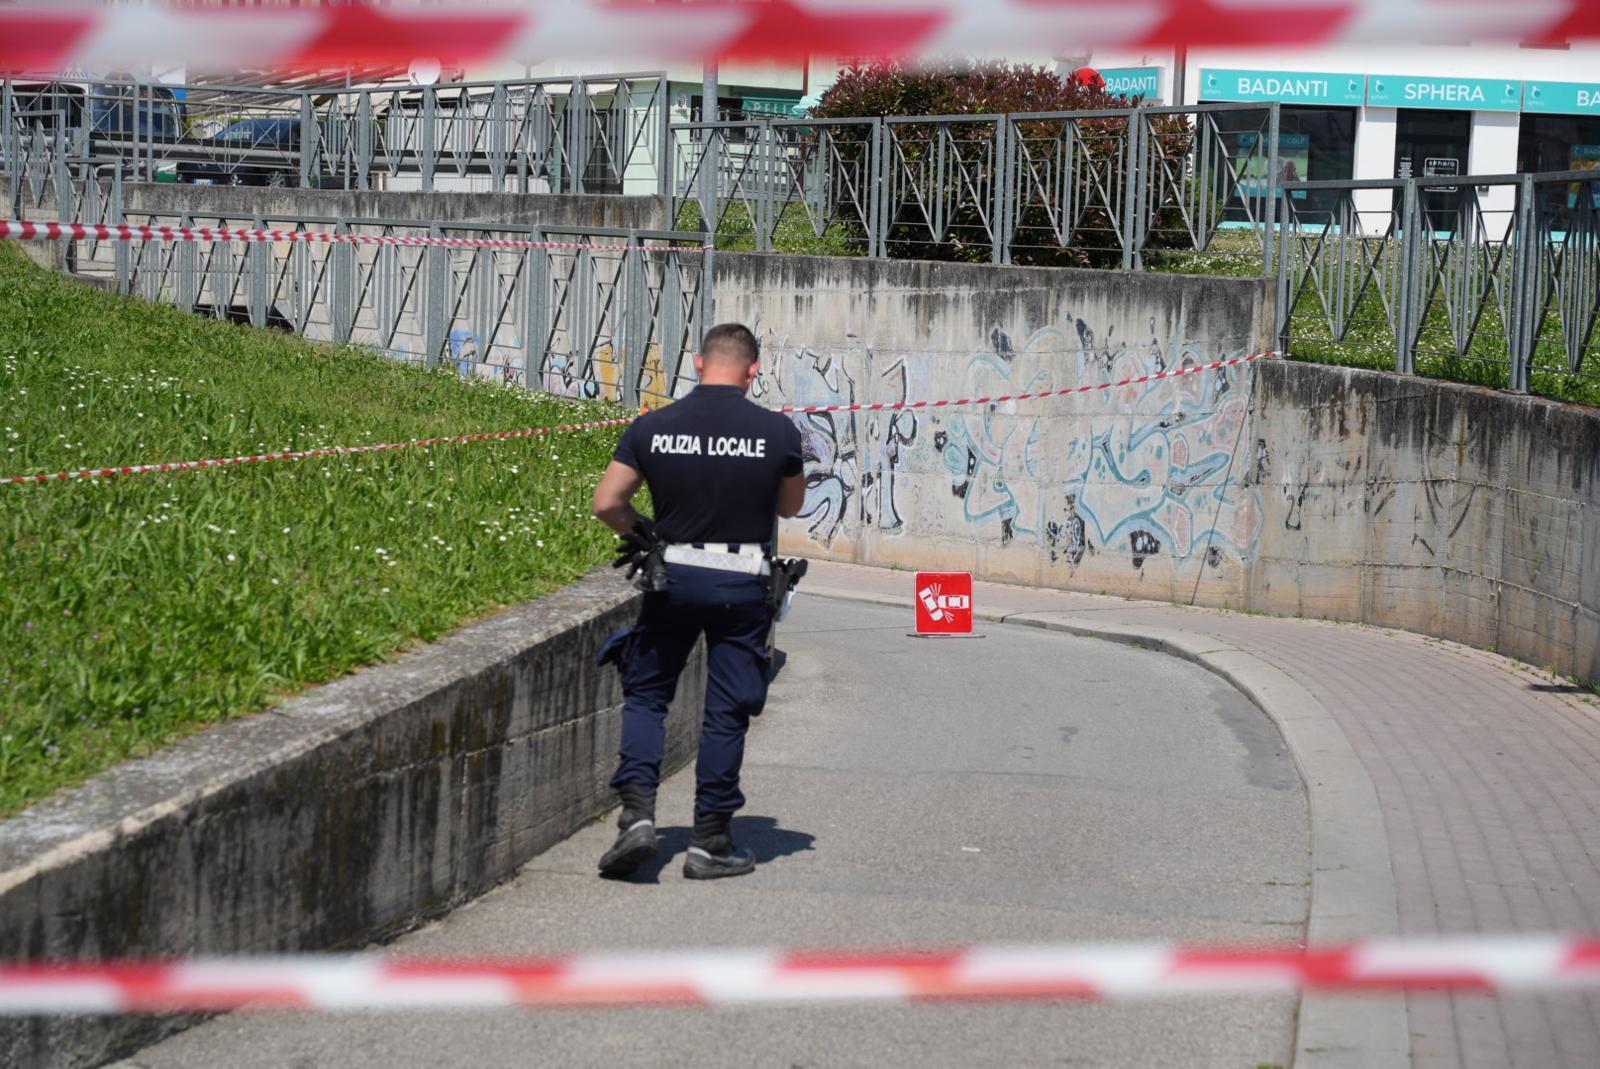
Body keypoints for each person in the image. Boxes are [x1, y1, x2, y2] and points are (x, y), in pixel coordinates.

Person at [591, 323, 806, 880]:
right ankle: (710, 840)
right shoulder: (776, 432)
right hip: (740, 585)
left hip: (673, 579)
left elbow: (607, 503)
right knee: (725, 712)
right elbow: (789, 508)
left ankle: (637, 816)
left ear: (696, 362)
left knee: (646, 697)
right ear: (754, 369)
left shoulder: (653, 426)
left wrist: (648, 532)